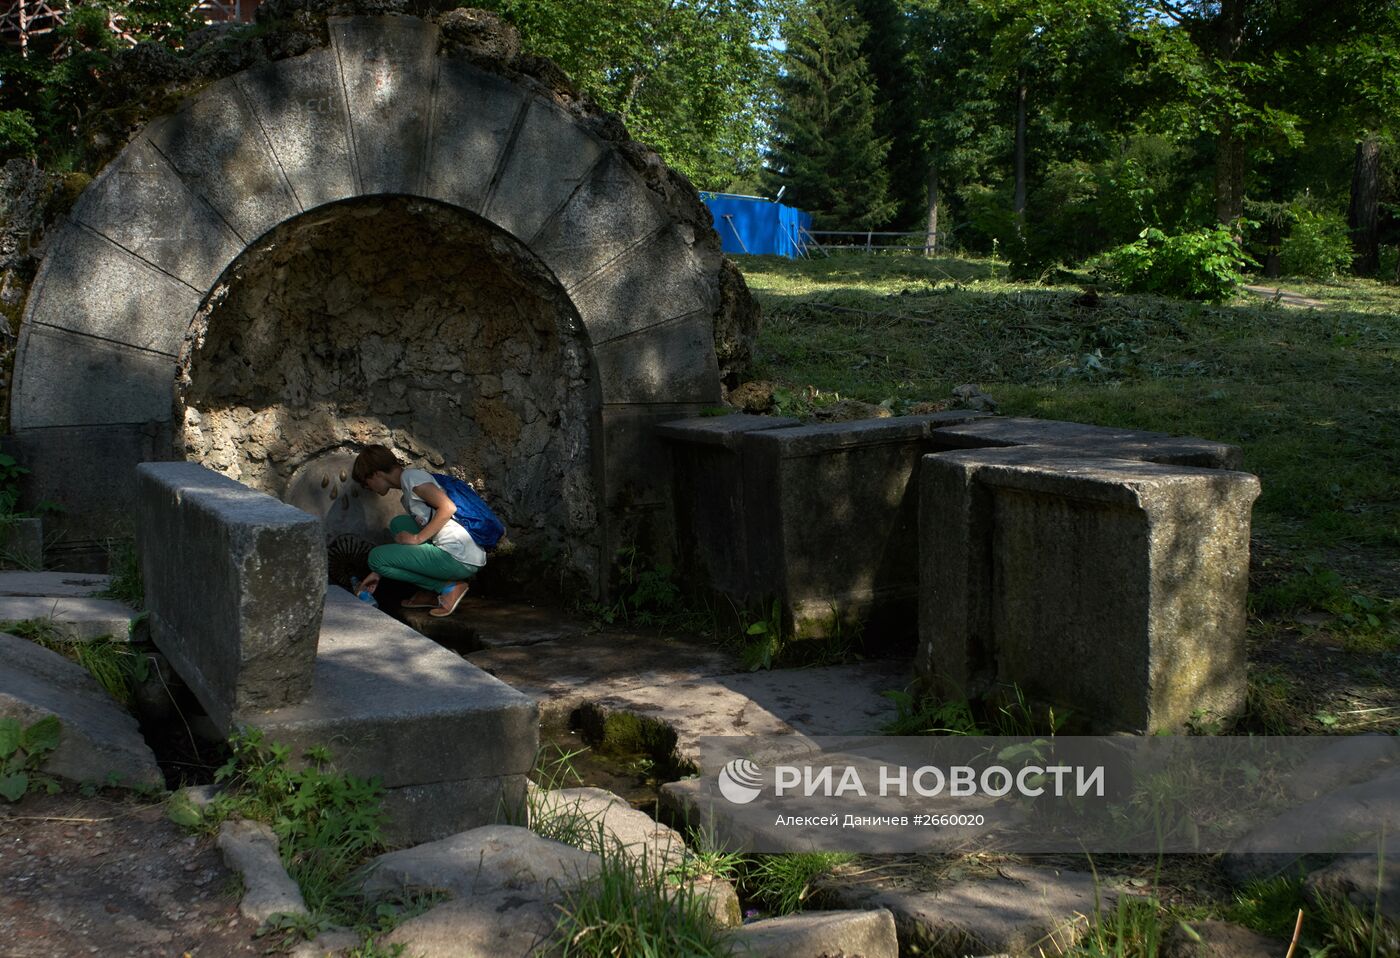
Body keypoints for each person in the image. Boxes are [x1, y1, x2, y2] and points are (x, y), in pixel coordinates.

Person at [350, 444, 485, 617]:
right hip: (460, 553)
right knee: (399, 524)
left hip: (459, 555)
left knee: (376, 557)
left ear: (376, 473)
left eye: (365, 482)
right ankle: (429, 593)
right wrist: (378, 572)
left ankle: (448, 588)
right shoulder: (407, 491)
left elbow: (448, 507)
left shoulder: (412, 478)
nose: (367, 488)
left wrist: (416, 539)